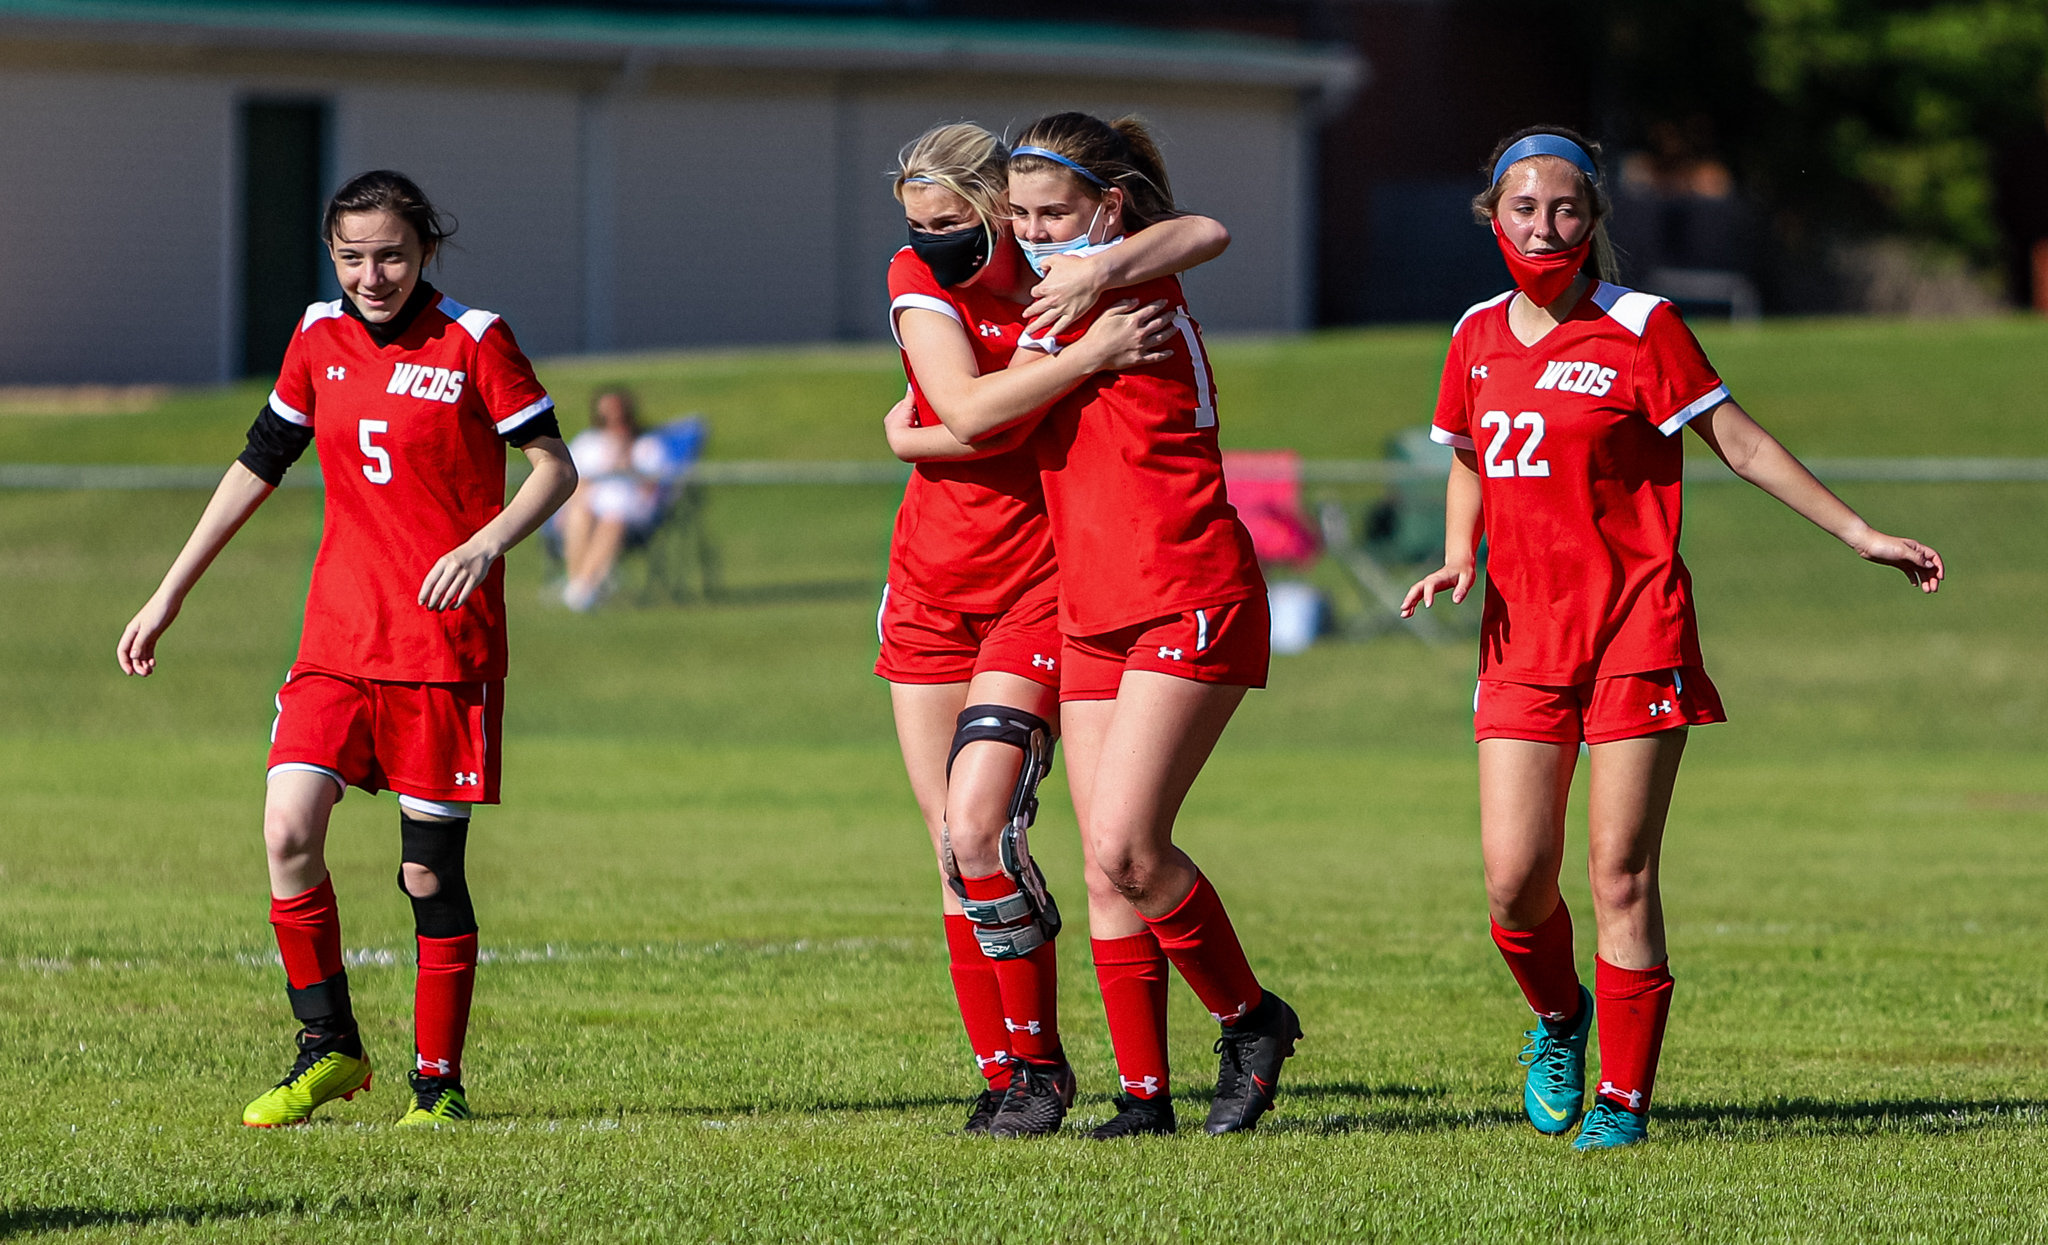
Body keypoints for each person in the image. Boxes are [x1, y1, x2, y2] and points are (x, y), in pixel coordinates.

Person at [1400, 127, 1944, 1149]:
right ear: (1492, 217)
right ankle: (1561, 1020)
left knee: (1619, 872)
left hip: (1633, 632)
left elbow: (1735, 440)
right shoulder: (1472, 335)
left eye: (1566, 208)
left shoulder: (1641, 326)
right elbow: (1469, 452)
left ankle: (1622, 1103)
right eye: (1524, 208)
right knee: (1513, 883)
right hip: (1520, 644)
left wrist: (1858, 531)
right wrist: (1458, 554)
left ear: (1594, 220)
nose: (1544, 226)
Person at [116, 170, 578, 1129]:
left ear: (426, 253)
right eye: (354, 256)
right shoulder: (316, 337)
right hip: (336, 638)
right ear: (334, 256)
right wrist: (168, 593)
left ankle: (436, 1087)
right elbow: (258, 465)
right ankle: (328, 1046)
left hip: (444, 648)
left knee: (426, 873)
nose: (374, 274)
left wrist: (486, 541)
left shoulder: (475, 340)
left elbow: (554, 467)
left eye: (393, 255)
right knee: (287, 828)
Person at [879, 121, 1229, 1138]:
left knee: (985, 822)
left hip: (1038, 584)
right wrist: (1080, 361)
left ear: (1002, 208)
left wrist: (1101, 291)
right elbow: (964, 411)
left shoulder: (1064, 266)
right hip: (927, 584)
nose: (934, 240)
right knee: (951, 844)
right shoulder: (921, 274)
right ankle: (1010, 1068)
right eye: (919, 225)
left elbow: (1200, 230)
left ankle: (1046, 1071)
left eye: (953, 222)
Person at [1001, 112, 1303, 1139]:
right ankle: (1143, 1097)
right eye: (1024, 216)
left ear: (1109, 209)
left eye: (1058, 215)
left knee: (1131, 843)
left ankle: (1250, 1020)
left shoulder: (1130, 283)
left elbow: (1205, 230)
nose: (1038, 235)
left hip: (1186, 588)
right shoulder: (1044, 308)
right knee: (1101, 863)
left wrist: (1099, 271)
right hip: (1092, 607)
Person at [558, 388, 667, 611]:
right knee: (580, 514)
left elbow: (653, 490)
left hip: (630, 513)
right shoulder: (588, 442)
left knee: (612, 518)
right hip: (589, 506)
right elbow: (573, 484)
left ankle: (582, 588)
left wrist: (627, 463)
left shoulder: (647, 445)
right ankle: (580, 584)